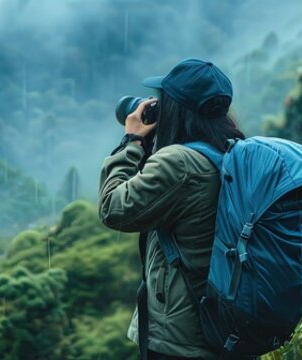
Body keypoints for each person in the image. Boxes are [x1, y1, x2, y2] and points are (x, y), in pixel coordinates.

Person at [98, 58, 245, 360]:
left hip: (181, 340)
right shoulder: (230, 151)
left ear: (176, 108)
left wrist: (132, 141)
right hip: (225, 328)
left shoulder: (179, 163)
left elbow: (112, 208)